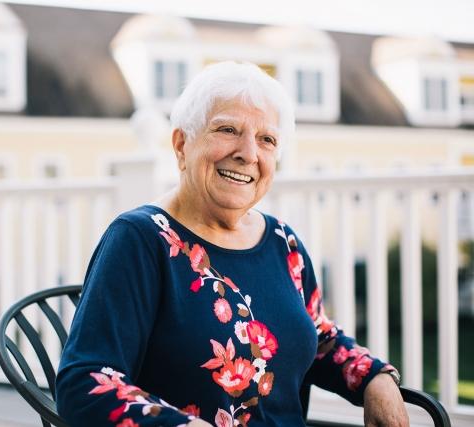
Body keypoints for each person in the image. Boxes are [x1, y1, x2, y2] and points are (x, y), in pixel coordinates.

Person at [55, 61, 409, 427]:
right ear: (181, 145)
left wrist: (375, 378)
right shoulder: (141, 240)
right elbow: (86, 381)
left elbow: (317, 335)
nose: (248, 153)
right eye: (227, 129)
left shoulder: (282, 242)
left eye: (267, 140)